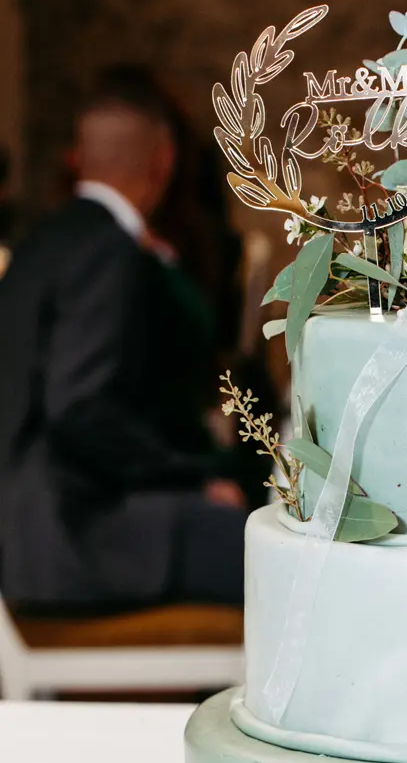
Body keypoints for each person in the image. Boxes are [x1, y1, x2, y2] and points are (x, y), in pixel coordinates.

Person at [0, 84, 248, 612]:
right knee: (279, 553)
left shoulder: (39, 243)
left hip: (26, 529)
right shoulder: (109, 250)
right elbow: (79, 409)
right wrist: (192, 478)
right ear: (164, 161)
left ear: (79, 157)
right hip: (70, 537)